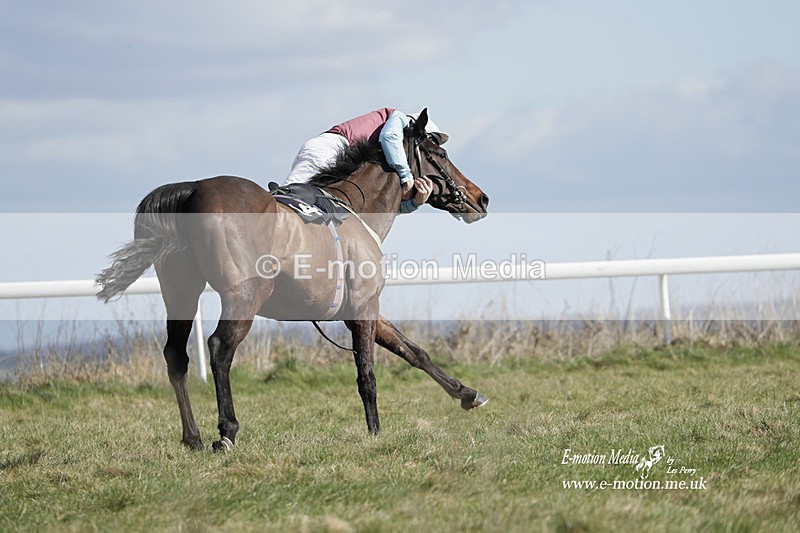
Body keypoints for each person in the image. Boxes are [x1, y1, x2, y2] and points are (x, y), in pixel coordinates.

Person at [284, 108, 448, 213]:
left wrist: (414, 203)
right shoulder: (399, 118)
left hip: (335, 157)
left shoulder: (379, 166)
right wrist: (406, 176)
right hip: (330, 150)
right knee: (289, 202)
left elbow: (380, 208)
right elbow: (390, 137)